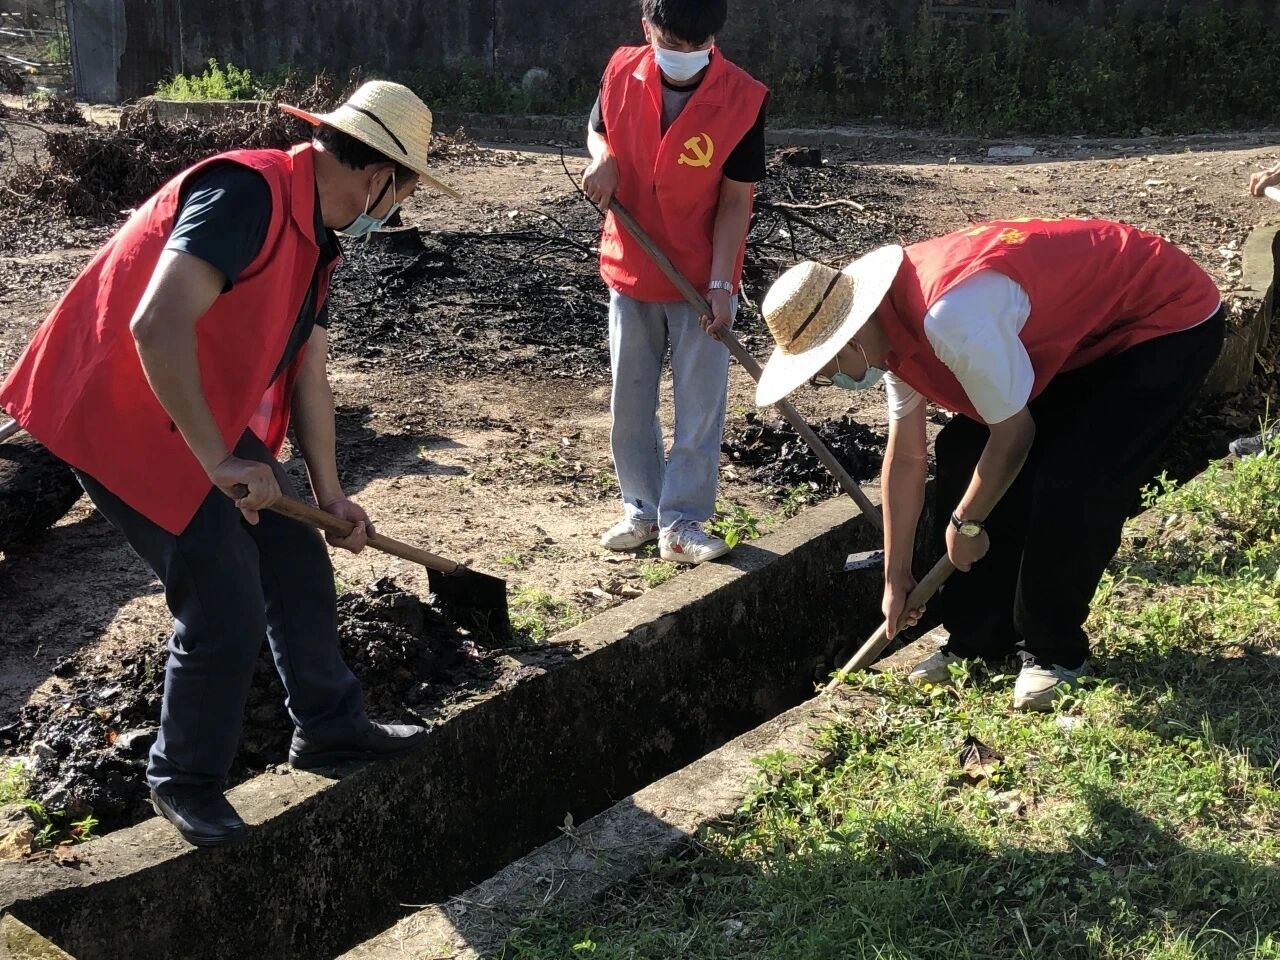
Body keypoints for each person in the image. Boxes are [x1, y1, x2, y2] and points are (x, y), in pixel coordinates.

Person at [0, 81, 460, 846]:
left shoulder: (320, 236)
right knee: (223, 597)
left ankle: (329, 725)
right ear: (380, 175)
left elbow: (310, 369)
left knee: (295, 559)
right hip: (113, 405)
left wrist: (331, 494)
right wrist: (217, 457)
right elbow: (155, 322)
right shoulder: (245, 193)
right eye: (403, 191)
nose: (397, 210)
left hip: (188, 407)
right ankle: (182, 779)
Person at [754, 217, 1224, 711]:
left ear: (847, 342)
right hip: (1082, 332)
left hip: (1162, 317)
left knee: (1075, 475)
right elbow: (907, 457)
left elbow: (1015, 434)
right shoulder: (886, 334)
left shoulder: (950, 315)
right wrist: (896, 575)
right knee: (962, 450)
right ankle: (979, 638)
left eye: (826, 371)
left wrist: (968, 520)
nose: (832, 381)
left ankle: (1054, 654)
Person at [581, 0, 768, 565]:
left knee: (700, 406)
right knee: (630, 400)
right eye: (673, 41)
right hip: (631, 264)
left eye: (697, 43)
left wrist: (720, 284)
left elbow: (736, 201)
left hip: (697, 279)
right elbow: (596, 130)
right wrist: (603, 156)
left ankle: (683, 521)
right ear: (648, 29)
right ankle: (641, 507)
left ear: (713, 36)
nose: (685, 54)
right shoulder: (620, 70)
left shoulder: (742, 99)